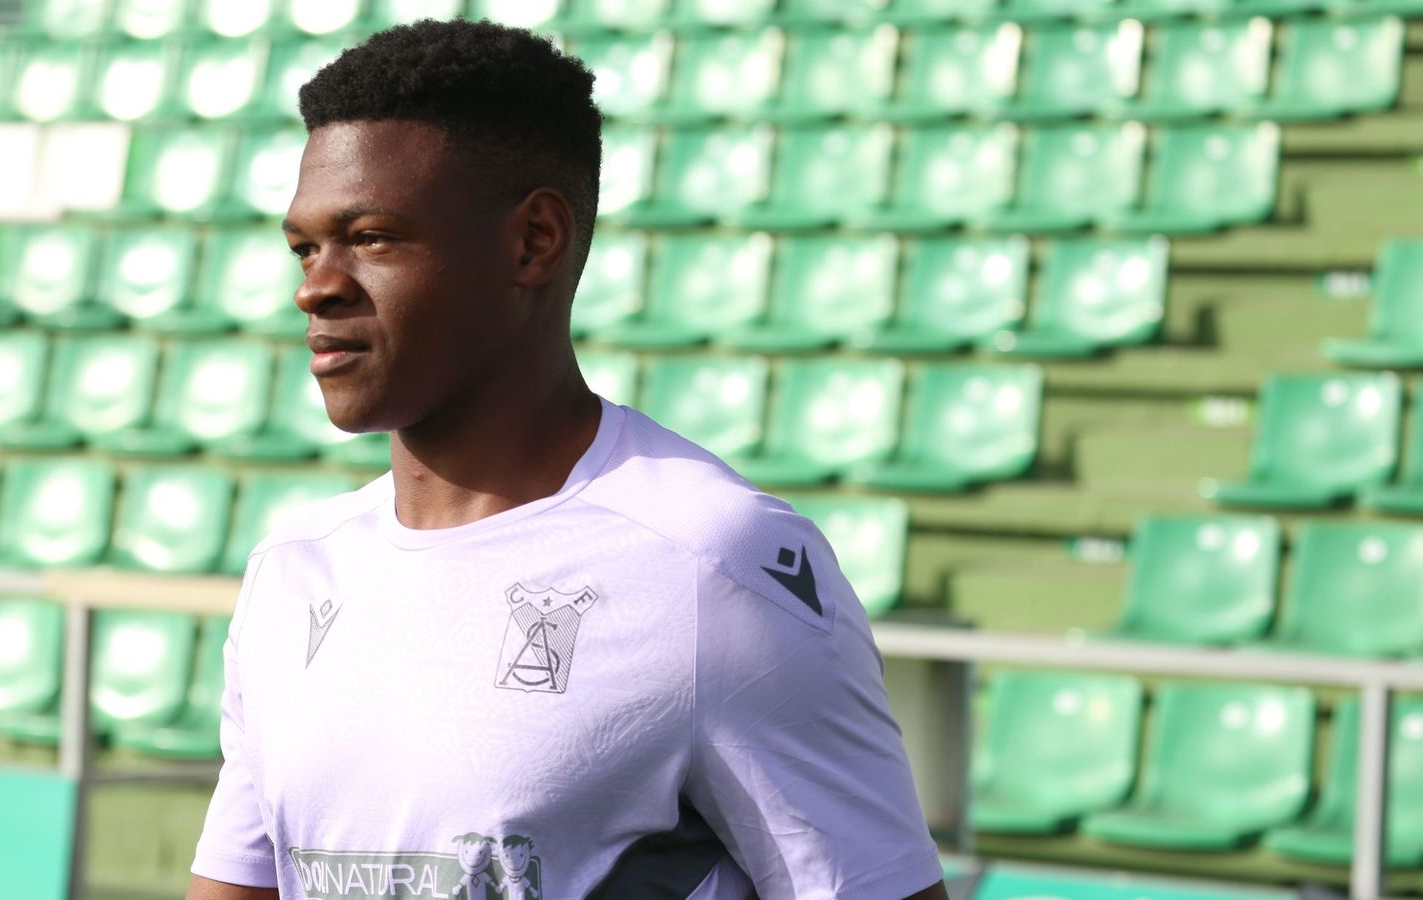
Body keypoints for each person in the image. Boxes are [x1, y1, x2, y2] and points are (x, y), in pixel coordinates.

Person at [186, 18, 948, 900]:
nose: (316, 285)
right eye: (305, 246)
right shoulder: (294, 573)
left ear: (533, 241)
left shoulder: (714, 563)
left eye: (374, 237)